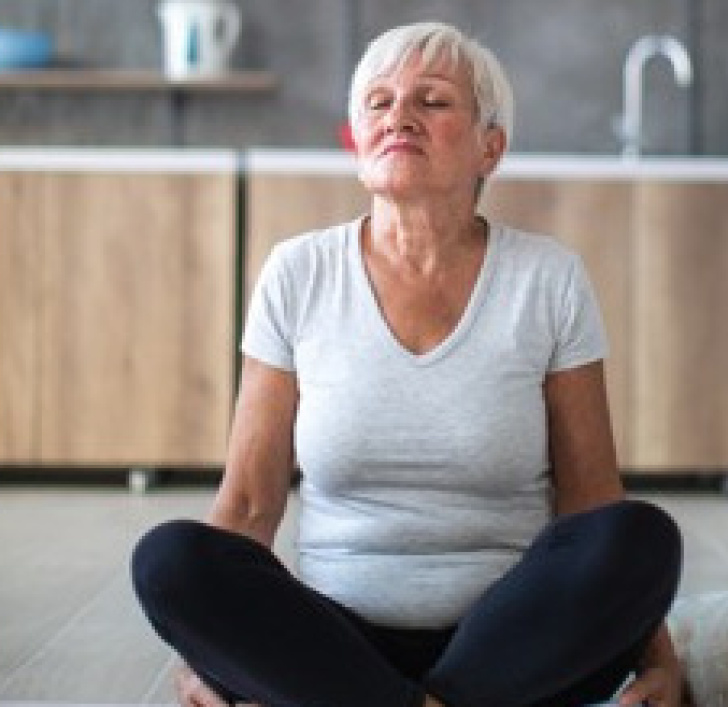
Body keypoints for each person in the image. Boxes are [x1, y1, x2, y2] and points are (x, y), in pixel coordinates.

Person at [132, 21, 683, 707]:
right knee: (169, 560)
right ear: (359, 141)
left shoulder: (549, 279)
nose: (399, 116)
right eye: (379, 102)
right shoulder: (297, 273)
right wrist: (202, 653)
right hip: (336, 644)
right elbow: (247, 505)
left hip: (514, 644)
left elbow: (592, 501)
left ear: (490, 146)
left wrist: (661, 659)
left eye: (433, 100)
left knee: (641, 537)